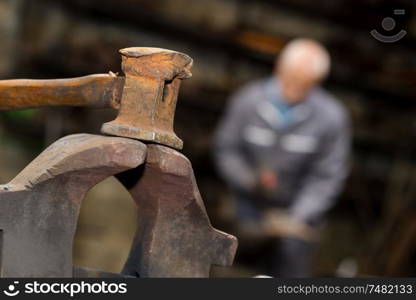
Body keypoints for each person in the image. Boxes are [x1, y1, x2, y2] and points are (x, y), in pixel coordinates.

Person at [213, 38, 351, 277]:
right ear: (279, 68)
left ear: (317, 82)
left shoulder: (331, 117)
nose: (294, 90)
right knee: (231, 271)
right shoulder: (247, 101)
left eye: (304, 85)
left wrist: (299, 215)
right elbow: (226, 149)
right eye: (290, 79)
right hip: (247, 209)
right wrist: (248, 180)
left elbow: (328, 176)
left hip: (296, 219)